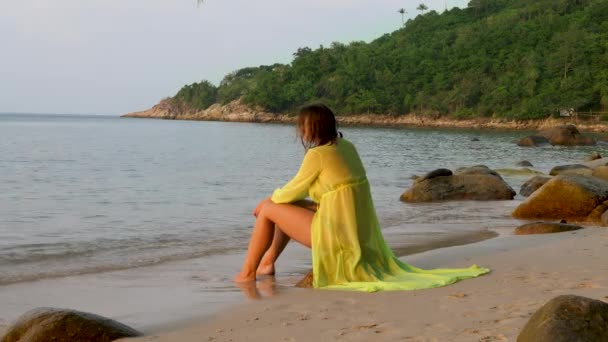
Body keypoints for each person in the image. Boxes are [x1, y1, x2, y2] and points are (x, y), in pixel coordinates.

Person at [234, 104, 489, 291]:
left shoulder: (318, 154)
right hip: (351, 232)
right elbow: (317, 195)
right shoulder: (346, 146)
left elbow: (291, 191)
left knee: (269, 208)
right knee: (280, 205)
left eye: (304, 125)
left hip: (335, 237)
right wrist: (277, 200)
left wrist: (265, 202)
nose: (300, 130)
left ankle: (247, 273)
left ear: (315, 127)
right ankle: (266, 264)